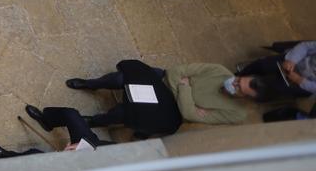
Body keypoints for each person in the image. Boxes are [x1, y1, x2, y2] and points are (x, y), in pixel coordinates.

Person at [67, 60, 247, 129]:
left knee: (124, 113)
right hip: (162, 81)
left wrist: (185, 86)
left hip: (170, 110)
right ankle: (92, 84)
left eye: (239, 88)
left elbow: (188, 115)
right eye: (239, 80)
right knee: (120, 78)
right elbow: (176, 70)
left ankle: (94, 121)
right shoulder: (219, 69)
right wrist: (188, 100)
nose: (234, 83)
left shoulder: (237, 113)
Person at [238, 41, 316, 98]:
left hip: (305, 83)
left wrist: (300, 80)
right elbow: (306, 46)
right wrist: (292, 60)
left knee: (272, 88)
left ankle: (248, 90)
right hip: (296, 61)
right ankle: (241, 73)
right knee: (262, 65)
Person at [23, 106, 106, 151]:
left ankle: (10, 156)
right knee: (70, 114)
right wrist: (86, 146)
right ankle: (47, 121)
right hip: (93, 148)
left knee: (34, 154)